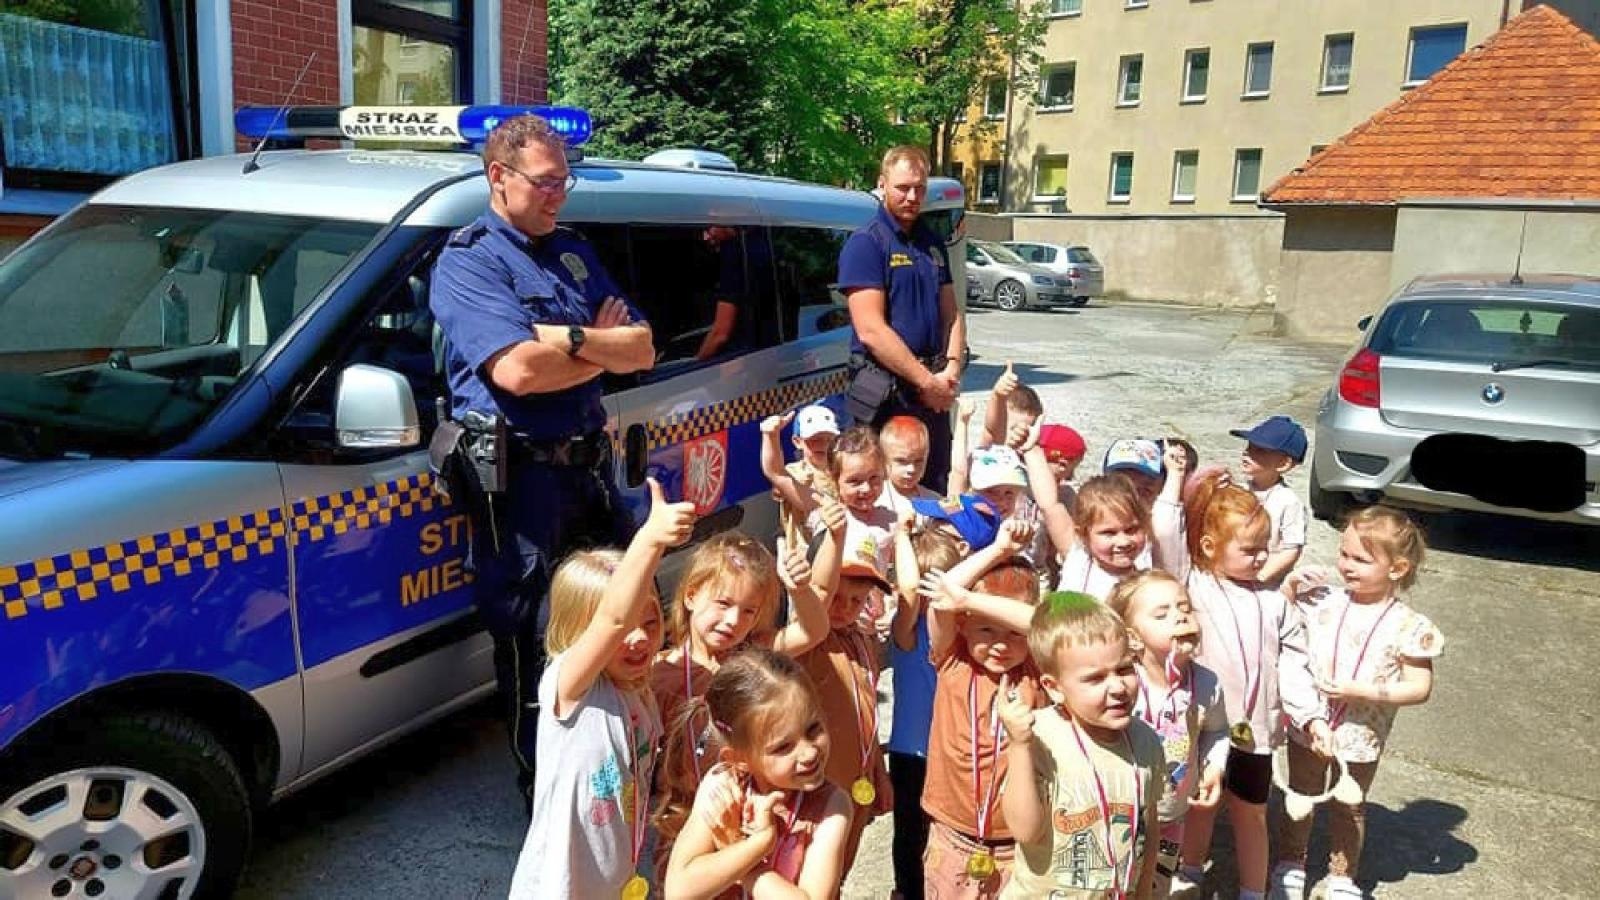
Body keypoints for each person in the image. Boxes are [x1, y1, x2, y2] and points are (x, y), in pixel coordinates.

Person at [430, 114, 655, 805]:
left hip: (589, 476)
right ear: (498, 177)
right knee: (534, 644)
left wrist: (567, 337)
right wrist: (597, 347)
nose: (561, 192)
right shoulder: (468, 261)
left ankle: (618, 771)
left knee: (627, 616)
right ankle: (547, 799)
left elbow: (643, 349)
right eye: (547, 180)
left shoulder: (575, 254)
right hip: (522, 485)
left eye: (567, 178)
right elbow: (520, 373)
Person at [1149, 453, 1332, 900]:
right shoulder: (1190, 586)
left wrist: (1311, 716)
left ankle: (1254, 891)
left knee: (1251, 813)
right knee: (1198, 807)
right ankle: (1187, 874)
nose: (1261, 557)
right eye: (1249, 549)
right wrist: (1180, 479)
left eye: (1265, 546)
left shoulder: (1275, 603)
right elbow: (1168, 532)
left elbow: (1294, 665)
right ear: (1210, 545)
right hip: (1198, 731)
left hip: (1258, 735)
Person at [507, 478, 695, 898]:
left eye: (650, 623)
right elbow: (612, 617)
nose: (639, 639)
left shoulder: (637, 689)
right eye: (626, 629)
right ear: (579, 632)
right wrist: (649, 542)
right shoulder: (571, 687)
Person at [1271, 506, 1441, 900]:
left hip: (1361, 733)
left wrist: (1363, 691)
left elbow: (1419, 687)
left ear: (1397, 569)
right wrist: (1290, 588)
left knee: (1350, 803)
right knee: (1300, 794)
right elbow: (1275, 621)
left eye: (1361, 560)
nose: (1346, 565)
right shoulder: (1322, 600)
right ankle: (1291, 862)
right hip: (1309, 724)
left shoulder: (1408, 626)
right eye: (1344, 554)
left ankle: (1343, 875)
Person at [649, 519, 841, 833]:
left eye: (749, 611)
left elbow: (814, 630)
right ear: (691, 595)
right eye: (723, 604)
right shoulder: (661, 673)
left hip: (754, 809)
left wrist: (800, 589)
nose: (733, 621)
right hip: (687, 817)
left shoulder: (753, 655)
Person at [998, 592, 1165, 899]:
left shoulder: (1145, 739)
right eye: (1095, 678)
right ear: (1054, 687)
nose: (1117, 687)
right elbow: (1025, 830)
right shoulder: (1040, 738)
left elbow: (1149, 827)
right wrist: (1019, 746)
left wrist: (1144, 891)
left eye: (1125, 669)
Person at [661, 649, 853, 900]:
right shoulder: (725, 785)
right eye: (783, 747)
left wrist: (741, 853)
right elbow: (680, 890)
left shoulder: (831, 806)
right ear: (739, 761)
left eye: (813, 729)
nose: (808, 753)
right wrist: (758, 844)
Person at [838, 145, 967, 492]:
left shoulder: (931, 243)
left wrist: (952, 368)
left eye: (920, 188)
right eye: (902, 187)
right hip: (887, 395)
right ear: (882, 184)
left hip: (932, 391)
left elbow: (952, 314)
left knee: (934, 485)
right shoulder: (867, 244)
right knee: (878, 495)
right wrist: (928, 383)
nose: (912, 196)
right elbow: (871, 330)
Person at [917, 548, 1043, 900]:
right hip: (952, 834)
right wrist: (1001, 548)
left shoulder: (1037, 671)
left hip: (1015, 842)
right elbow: (944, 596)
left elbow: (1048, 625)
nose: (1001, 644)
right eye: (986, 629)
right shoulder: (952, 658)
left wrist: (976, 603)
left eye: (1014, 633)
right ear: (963, 624)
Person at [1105, 571, 1229, 897]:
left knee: (1157, 885)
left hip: (1172, 815)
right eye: (1162, 614)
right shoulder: (1123, 684)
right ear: (1132, 636)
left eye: (1185, 608)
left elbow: (1217, 731)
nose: (1179, 617)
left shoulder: (1206, 683)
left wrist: (1214, 768)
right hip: (1118, 816)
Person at [796, 542, 895, 873]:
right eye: (836, 597)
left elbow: (867, 717)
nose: (845, 608)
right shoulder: (810, 645)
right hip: (818, 793)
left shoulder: (862, 642)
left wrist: (878, 773)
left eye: (857, 600)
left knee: (841, 871)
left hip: (857, 783)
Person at [887, 514, 966, 900]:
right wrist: (902, 535)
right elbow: (907, 592)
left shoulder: (963, 634)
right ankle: (907, 891)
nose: (933, 598)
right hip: (911, 751)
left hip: (950, 750)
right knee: (909, 831)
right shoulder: (905, 631)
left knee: (946, 830)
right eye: (927, 587)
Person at [1229, 416, 1309, 589]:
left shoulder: (1288, 502)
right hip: (1231, 574)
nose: (1247, 453)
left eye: (1260, 451)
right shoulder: (1237, 489)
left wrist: (1260, 578)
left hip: (1264, 584)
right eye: (1249, 447)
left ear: (1283, 464)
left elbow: (1291, 549)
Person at [1056, 475, 1154, 601]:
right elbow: (1051, 507)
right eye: (1109, 533)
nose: (1124, 542)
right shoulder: (1079, 564)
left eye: (1131, 530)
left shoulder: (1145, 564)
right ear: (1083, 535)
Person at [760, 404, 842, 550]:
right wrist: (771, 436)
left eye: (829, 439)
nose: (823, 445)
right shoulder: (797, 472)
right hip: (804, 556)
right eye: (815, 439)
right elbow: (775, 472)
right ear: (798, 442)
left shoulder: (843, 471)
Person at [980, 362, 1044, 450]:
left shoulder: (1027, 452)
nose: (1020, 434)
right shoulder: (990, 448)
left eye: (1027, 431)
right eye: (1013, 429)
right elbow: (992, 429)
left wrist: (1030, 444)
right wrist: (998, 396)